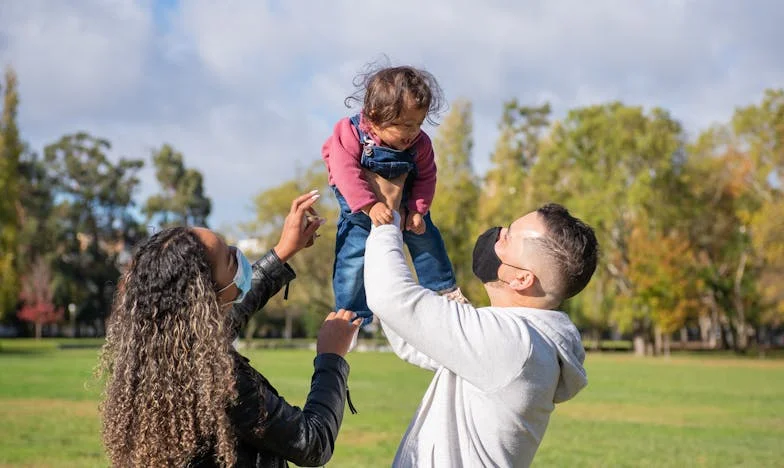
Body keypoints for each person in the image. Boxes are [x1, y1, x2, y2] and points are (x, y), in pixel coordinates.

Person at [97, 191, 361, 468]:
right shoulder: (220, 379)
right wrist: (331, 358)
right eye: (230, 260)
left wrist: (282, 251)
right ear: (204, 298)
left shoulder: (160, 353)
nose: (239, 255)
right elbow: (312, 443)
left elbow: (230, 318)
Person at [364, 176, 599, 467]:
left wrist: (385, 217)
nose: (497, 233)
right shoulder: (524, 340)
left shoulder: (516, 345)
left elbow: (391, 298)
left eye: (508, 237)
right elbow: (412, 339)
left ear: (522, 278)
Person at [321, 64, 468, 326]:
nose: (413, 133)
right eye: (405, 125)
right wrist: (369, 205)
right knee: (352, 257)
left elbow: (426, 176)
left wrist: (418, 209)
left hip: (404, 205)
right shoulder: (350, 132)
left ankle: (443, 290)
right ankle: (351, 316)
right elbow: (344, 171)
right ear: (376, 116)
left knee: (427, 240)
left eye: (419, 124)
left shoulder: (420, 143)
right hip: (359, 211)